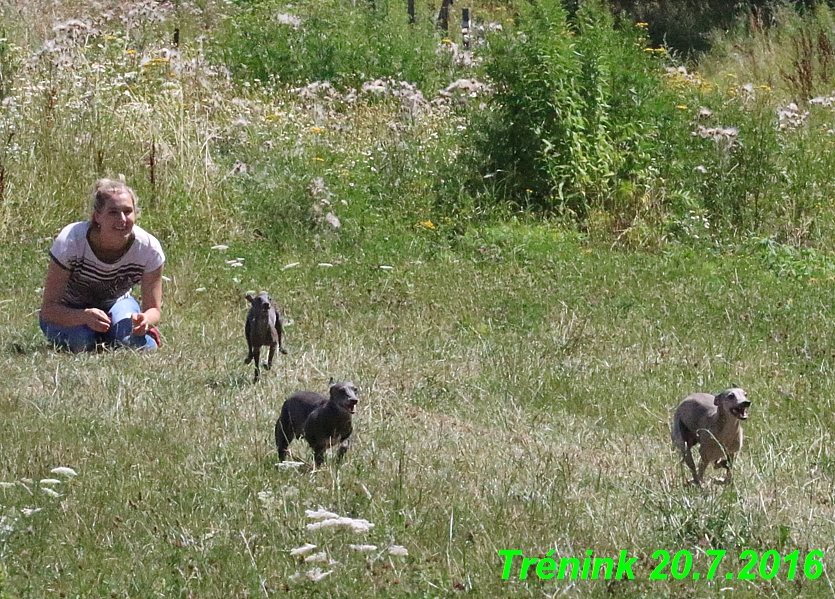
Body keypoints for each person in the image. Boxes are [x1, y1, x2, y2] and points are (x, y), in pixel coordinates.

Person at [39, 178, 165, 352]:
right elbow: (48, 310)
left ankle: (123, 333)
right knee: (82, 341)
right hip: (68, 309)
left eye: (128, 211)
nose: (122, 219)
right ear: (97, 216)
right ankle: (104, 334)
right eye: (113, 212)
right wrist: (83, 316)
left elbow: (153, 310)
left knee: (133, 343)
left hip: (116, 303)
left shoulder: (149, 249)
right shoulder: (71, 241)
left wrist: (145, 320)